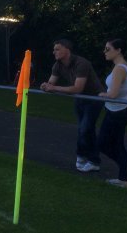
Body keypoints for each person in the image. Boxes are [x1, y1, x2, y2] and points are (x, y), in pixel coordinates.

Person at [40, 39, 104, 172]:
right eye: (54, 49)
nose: (54, 52)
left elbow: (77, 88)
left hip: (93, 98)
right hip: (80, 99)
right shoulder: (57, 65)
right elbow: (51, 83)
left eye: (57, 49)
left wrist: (54, 88)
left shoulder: (82, 63)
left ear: (67, 50)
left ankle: (81, 156)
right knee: (87, 129)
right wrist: (45, 86)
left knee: (85, 128)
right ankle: (93, 160)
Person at [97, 39, 127, 188]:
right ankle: (124, 175)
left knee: (103, 143)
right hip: (118, 110)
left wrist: (101, 94)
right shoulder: (126, 66)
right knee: (117, 144)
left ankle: (125, 172)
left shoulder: (120, 68)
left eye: (108, 49)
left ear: (118, 50)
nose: (105, 52)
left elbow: (113, 94)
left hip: (117, 112)